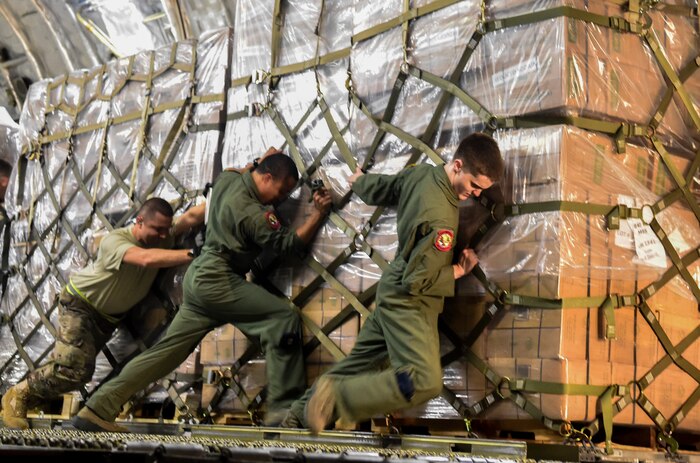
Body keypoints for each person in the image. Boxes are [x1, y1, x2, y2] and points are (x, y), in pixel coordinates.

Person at [72, 151, 332, 432]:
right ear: (267, 177)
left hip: (197, 279)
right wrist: (318, 214)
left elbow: (244, 169)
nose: (280, 199)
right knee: (283, 319)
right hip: (219, 280)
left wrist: (259, 160)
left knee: (165, 353)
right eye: (281, 191)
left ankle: (98, 407)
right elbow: (290, 245)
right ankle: (285, 414)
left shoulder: (228, 179)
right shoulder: (256, 214)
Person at [281, 132, 504, 432]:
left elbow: (390, 186)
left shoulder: (423, 173)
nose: (476, 194)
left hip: (392, 290)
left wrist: (360, 182)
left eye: (482, 190)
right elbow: (419, 281)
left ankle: (298, 415)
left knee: (358, 365)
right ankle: (341, 398)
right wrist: (459, 272)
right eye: (474, 185)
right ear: (458, 165)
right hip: (410, 302)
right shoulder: (440, 219)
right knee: (425, 381)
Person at [1, 197, 205, 430]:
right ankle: (18, 394)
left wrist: (236, 190)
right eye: (157, 229)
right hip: (82, 307)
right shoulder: (116, 240)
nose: (163, 236)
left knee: (76, 368)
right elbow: (145, 259)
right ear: (139, 222)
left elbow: (189, 217)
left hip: (108, 319)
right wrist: (195, 254)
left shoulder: (162, 235)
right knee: (74, 369)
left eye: (165, 230)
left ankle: (30, 398)